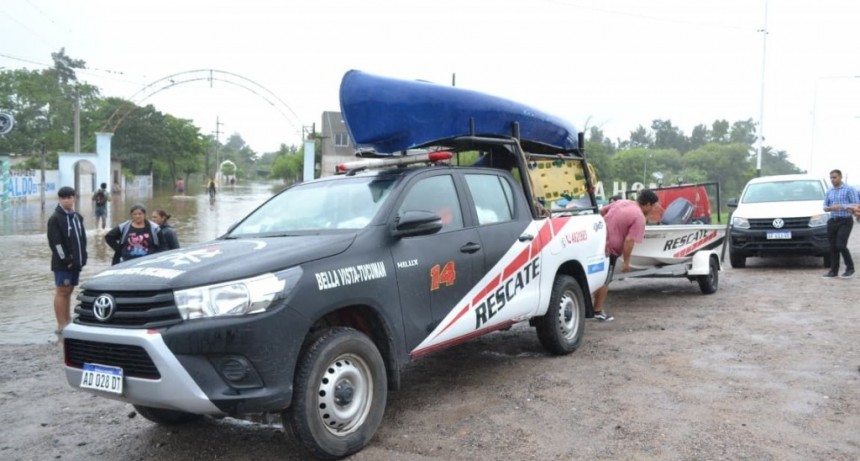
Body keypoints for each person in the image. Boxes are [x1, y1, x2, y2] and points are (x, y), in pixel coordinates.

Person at [592, 189, 659, 321]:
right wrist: (627, 262)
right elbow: (629, 241)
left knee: (595, 276)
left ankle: (589, 309)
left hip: (596, 243)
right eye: (653, 206)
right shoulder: (639, 217)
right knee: (605, 279)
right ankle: (597, 311)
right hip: (609, 250)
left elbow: (600, 212)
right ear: (648, 204)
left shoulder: (621, 202)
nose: (653, 209)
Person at [47, 186, 87, 334]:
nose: (67, 200)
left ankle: (68, 319)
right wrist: (67, 260)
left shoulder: (77, 216)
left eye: (69, 197)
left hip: (76, 262)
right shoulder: (55, 218)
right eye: (63, 198)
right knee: (62, 291)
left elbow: (82, 238)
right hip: (63, 263)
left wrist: (83, 257)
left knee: (69, 290)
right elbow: (55, 243)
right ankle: (61, 324)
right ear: (59, 199)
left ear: (74, 198)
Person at [822, 169, 859, 278]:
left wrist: (842, 206)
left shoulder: (849, 189)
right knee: (833, 247)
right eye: (831, 178)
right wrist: (829, 208)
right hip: (833, 220)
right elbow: (825, 206)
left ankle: (850, 267)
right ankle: (834, 271)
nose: (833, 180)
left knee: (841, 245)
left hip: (845, 220)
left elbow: (856, 205)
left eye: (835, 177)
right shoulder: (830, 191)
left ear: (840, 177)